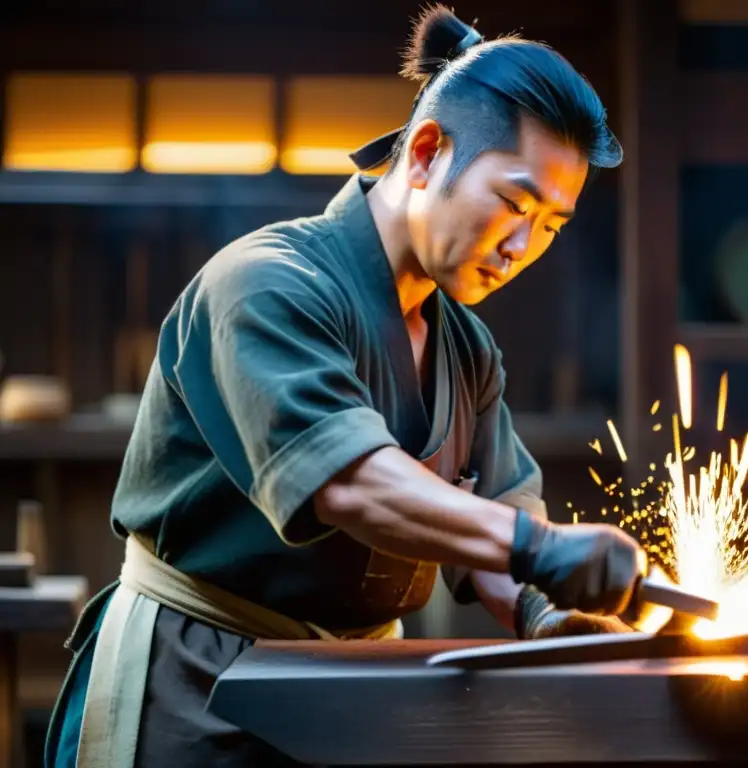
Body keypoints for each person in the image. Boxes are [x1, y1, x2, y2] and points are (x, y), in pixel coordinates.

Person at [45, 5, 648, 767]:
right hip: (194, 683)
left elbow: (491, 513)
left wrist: (547, 614)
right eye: (514, 204)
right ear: (427, 153)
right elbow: (350, 484)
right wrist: (542, 548)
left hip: (354, 688)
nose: (523, 247)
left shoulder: (467, 349)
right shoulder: (265, 284)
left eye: (552, 226)